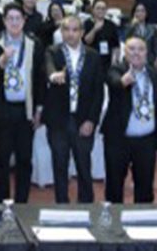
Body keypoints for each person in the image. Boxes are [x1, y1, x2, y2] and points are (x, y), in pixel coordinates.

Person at [0, 3, 46, 204]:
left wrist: (39, 109)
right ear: (4, 21)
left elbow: (39, 78)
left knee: (24, 160)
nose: (14, 22)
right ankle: (2, 203)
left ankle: (22, 203)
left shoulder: (34, 44)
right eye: (10, 18)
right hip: (3, 109)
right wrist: (2, 60)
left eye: (18, 18)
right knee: (1, 160)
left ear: (24, 21)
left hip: (25, 110)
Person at [43, 16, 104, 204]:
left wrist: (92, 120)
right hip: (59, 120)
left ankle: (86, 206)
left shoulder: (93, 55)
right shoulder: (52, 51)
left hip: (83, 119)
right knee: (59, 166)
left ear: (82, 33)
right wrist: (54, 75)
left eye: (75, 29)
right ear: (61, 32)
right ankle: (62, 205)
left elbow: (98, 92)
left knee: (84, 166)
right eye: (67, 30)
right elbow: (48, 68)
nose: (71, 33)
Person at [103, 36, 157, 204]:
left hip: (146, 140)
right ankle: (113, 222)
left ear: (146, 52)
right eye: (132, 49)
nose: (136, 53)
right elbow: (113, 82)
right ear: (125, 51)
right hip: (118, 139)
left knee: (145, 187)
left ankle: (142, 225)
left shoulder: (154, 75)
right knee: (114, 185)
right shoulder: (116, 69)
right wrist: (123, 82)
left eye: (141, 49)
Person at [83, 0, 120, 70]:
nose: (100, 11)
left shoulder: (111, 25)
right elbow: (86, 41)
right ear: (93, 10)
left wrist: (114, 61)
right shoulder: (87, 23)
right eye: (98, 8)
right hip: (91, 60)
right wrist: (94, 29)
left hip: (107, 61)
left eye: (103, 9)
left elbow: (116, 46)